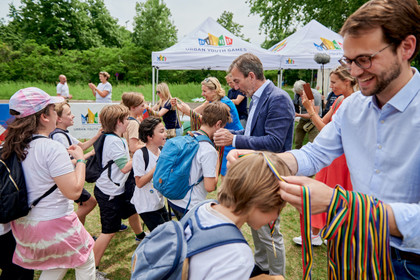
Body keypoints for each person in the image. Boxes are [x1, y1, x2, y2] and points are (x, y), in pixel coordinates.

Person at [231, 0, 420, 278]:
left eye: (365, 59)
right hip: (354, 246)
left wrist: (340, 205)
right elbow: (314, 154)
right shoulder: (353, 107)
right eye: (348, 61)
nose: (354, 72)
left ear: (406, 47)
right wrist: (267, 162)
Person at [214, 53, 295, 277]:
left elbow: (275, 142)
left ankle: (276, 274)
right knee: (255, 224)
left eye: (237, 81)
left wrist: (235, 140)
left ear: (251, 76)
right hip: (254, 172)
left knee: (269, 231)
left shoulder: (278, 98)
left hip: (269, 175)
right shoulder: (256, 97)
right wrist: (231, 133)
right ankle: (262, 265)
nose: (236, 87)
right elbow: (252, 133)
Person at [3, 87, 95, 279]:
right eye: (54, 110)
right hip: (56, 222)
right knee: (86, 259)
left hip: (24, 226)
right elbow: (74, 192)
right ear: (44, 116)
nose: (56, 115)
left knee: (60, 260)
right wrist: (80, 160)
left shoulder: (10, 146)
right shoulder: (51, 148)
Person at [187, 152, 288, 280]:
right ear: (261, 203)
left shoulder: (202, 208)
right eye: (279, 209)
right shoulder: (239, 257)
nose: (275, 218)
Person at [291, 66, 357, 246]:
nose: (331, 87)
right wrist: (310, 110)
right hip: (332, 156)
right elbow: (324, 125)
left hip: (341, 158)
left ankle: (323, 233)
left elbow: (327, 131)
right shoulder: (339, 100)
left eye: (334, 82)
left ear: (348, 81)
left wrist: (310, 111)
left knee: (334, 193)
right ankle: (319, 233)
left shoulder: (352, 102)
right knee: (326, 191)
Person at [92, 104, 138, 279]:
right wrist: (140, 154)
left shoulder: (110, 137)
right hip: (109, 192)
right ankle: (91, 270)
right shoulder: (114, 141)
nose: (128, 122)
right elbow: (125, 168)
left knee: (112, 227)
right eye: (126, 119)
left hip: (110, 189)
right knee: (108, 231)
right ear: (119, 122)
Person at [168, 101, 232, 220]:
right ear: (218, 124)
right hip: (189, 205)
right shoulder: (209, 150)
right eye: (223, 127)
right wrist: (217, 161)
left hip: (174, 199)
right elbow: (210, 187)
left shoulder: (188, 137)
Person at [175, 77, 242, 177]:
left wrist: (189, 112)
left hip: (231, 140)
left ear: (214, 91)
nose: (202, 94)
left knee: (227, 174)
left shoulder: (224, 104)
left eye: (204, 91)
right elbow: (196, 112)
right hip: (222, 140)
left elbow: (211, 123)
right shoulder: (211, 101)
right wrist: (181, 107)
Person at [50, 101, 101, 225]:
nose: (73, 116)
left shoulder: (64, 133)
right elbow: (66, 162)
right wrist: (86, 156)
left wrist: (98, 135)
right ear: (59, 119)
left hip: (71, 177)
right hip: (68, 179)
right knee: (90, 203)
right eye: (69, 114)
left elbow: (82, 146)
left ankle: (80, 232)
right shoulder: (59, 137)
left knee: (83, 204)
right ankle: (69, 226)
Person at [131, 117, 170, 232]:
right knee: (163, 236)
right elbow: (139, 183)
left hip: (159, 201)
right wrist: (157, 167)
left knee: (168, 232)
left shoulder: (162, 150)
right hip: (146, 205)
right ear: (150, 136)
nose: (166, 134)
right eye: (161, 131)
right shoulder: (140, 154)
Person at [121, 92, 147, 243]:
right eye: (142, 105)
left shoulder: (126, 120)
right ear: (133, 107)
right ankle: (139, 234)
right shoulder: (133, 123)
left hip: (125, 164)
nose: (145, 108)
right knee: (133, 202)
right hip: (131, 164)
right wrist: (150, 144)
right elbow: (133, 146)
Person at [292, 80, 322, 149]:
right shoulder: (297, 94)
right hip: (303, 119)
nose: (299, 96)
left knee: (313, 142)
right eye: (298, 94)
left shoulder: (315, 95)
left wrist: (298, 115)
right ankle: (297, 152)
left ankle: (313, 155)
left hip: (314, 121)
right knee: (298, 137)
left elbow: (314, 114)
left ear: (305, 89)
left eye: (301, 94)